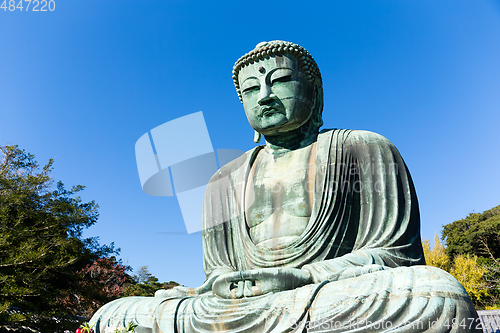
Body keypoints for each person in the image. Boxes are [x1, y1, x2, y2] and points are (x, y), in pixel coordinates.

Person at [90, 41, 481, 332]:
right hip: (240, 309)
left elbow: (396, 256)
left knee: (435, 295)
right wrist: (216, 289)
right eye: (250, 90)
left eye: (280, 81)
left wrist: (303, 277)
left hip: (328, 294)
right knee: (114, 315)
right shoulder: (223, 179)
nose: (264, 96)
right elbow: (219, 273)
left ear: (314, 90)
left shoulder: (363, 147)